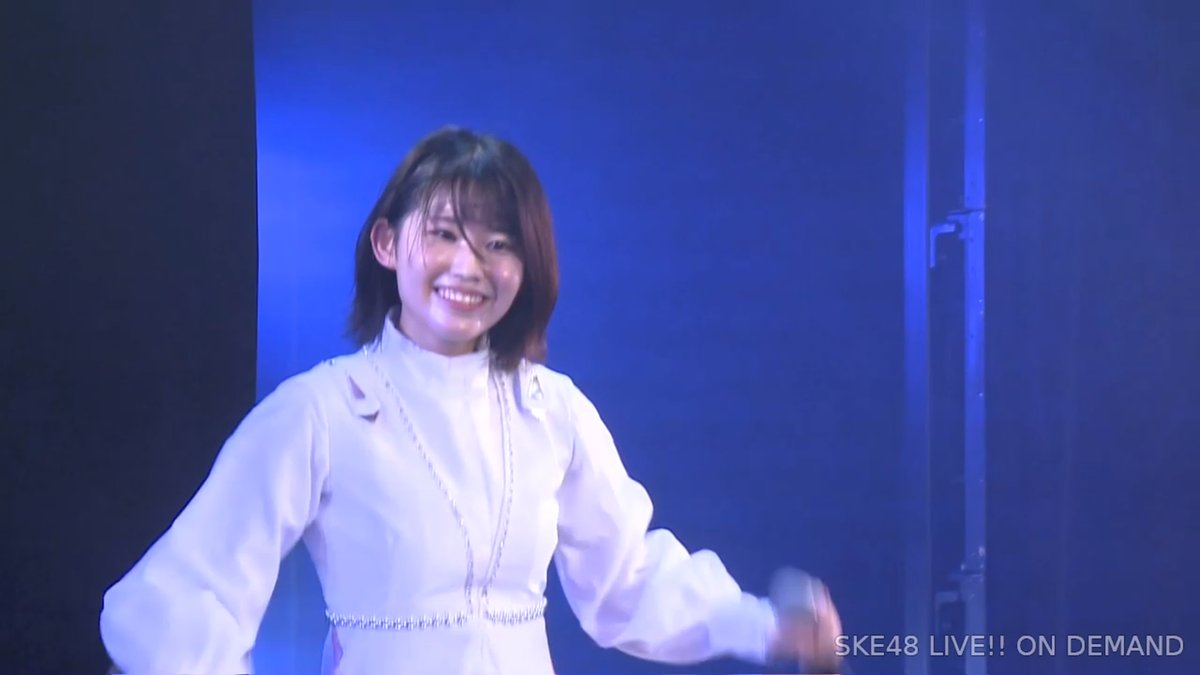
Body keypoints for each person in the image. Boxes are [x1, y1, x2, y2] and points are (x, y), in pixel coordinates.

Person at [99, 126, 843, 674]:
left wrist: (766, 626)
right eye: (444, 234)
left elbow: (628, 580)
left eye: (499, 243)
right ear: (386, 244)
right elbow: (185, 591)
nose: (469, 265)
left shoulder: (553, 410)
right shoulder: (322, 410)